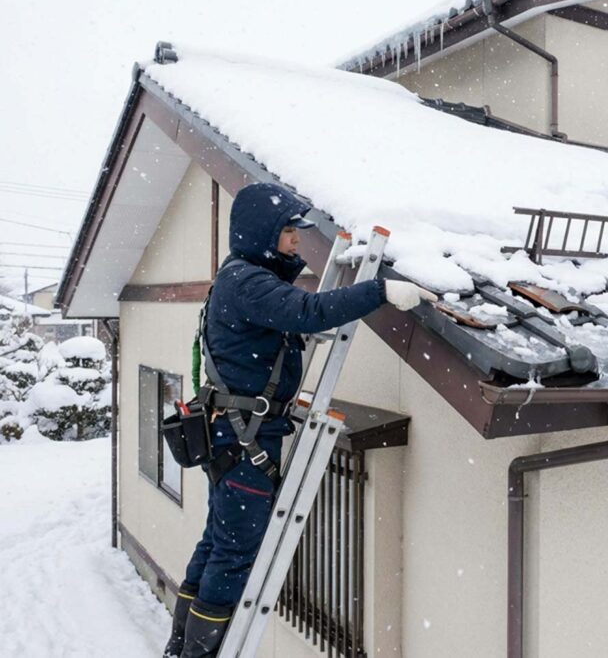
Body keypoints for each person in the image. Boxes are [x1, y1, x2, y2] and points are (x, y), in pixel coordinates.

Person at [163, 182, 435, 658]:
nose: (297, 241)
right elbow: (308, 312)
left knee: (216, 545)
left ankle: (182, 648)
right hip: (245, 443)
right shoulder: (247, 282)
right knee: (233, 554)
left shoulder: (240, 276)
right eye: (289, 231)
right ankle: (199, 653)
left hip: (232, 437)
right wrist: (380, 290)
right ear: (261, 233)